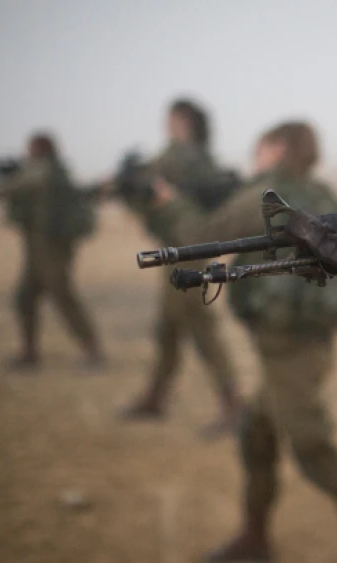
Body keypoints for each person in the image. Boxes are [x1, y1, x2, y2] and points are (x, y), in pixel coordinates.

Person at [146, 121, 337, 563]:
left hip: (290, 349)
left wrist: (169, 204)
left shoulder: (267, 195)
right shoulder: (319, 193)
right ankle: (255, 538)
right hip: (308, 339)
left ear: (277, 149)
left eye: (259, 148)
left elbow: (199, 236)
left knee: (309, 442)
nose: (253, 158)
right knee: (256, 433)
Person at [116, 98, 244, 438]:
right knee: (169, 326)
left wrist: (126, 182)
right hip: (180, 247)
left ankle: (234, 405)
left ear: (182, 121)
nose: (165, 124)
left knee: (199, 324)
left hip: (185, 248)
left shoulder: (180, 156)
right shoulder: (199, 157)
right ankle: (156, 397)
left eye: (169, 119)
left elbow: (149, 185)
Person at [0, 132, 103, 371]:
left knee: (61, 295)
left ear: (39, 150)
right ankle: (30, 352)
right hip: (41, 245)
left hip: (49, 246)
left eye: (30, 148)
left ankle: (92, 351)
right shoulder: (51, 170)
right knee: (25, 296)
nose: (26, 153)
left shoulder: (39, 172)